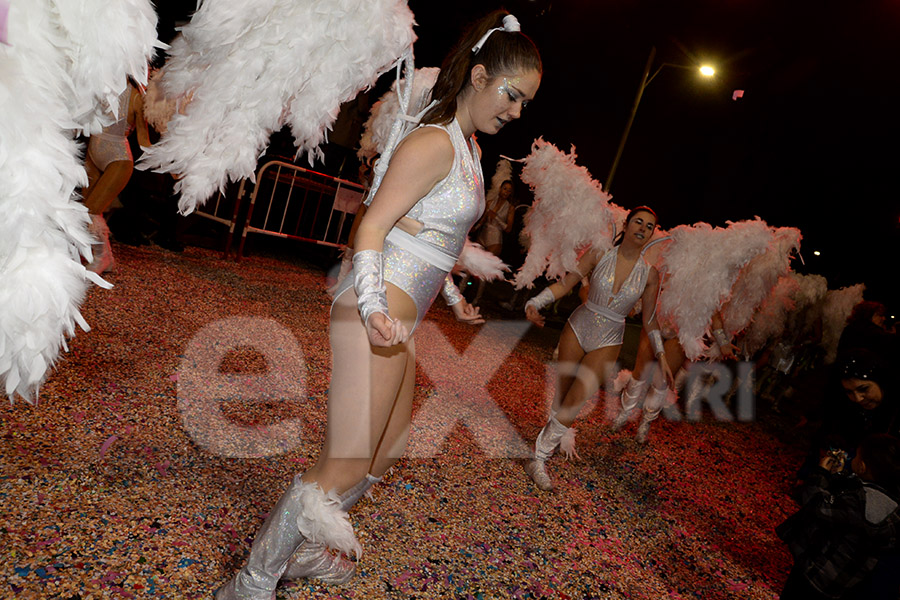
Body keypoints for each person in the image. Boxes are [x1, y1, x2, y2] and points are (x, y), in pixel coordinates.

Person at [215, 11, 541, 599]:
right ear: (479, 74)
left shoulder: (464, 145)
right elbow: (371, 228)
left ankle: (306, 547)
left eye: (524, 103)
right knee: (344, 459)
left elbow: (429, 238)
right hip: (375, 310)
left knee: (385, 450)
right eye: (512, 95)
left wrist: (450, 294)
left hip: (399, 313)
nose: (516, 112)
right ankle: (250, 582)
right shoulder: (433, 142)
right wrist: (370, 309)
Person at [523, 206, 673, 491]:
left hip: (609, 340)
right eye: (638, 222)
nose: (642, 228)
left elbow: (650, 320)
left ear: (652, 233)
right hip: (578, 328)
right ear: (626, 225)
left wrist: (662, 354)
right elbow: (567, 283)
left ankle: (538, 458)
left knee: (577, 400)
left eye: (649, 226)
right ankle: (548, 443)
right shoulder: (599, 253)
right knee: (563, 394)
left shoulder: (650, 275)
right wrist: (535, 303)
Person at [777, 433, 900, 599]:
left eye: (856, 456)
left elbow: (817, 505)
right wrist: (838, 475)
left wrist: (821, 473)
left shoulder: (858, 501)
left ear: (862, 467)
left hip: (816, 572)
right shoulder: (892, 506)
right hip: (843, 582)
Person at [611, 310, 739, 442]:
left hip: (683, 333)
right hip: (658, 320)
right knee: (640, 372)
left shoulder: (712, 288)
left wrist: (723, 342)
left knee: (662, 380)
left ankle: (646, 422)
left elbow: (715, 313)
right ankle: (624, 413)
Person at [82, 80, 150, 273]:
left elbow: (144, 140)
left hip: (118, 158)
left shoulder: (137, 98)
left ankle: (101, 258)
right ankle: (107, 256)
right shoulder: (100, 85)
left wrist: (171, 162)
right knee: (85, 209)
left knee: (92, 210)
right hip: (93, 151)